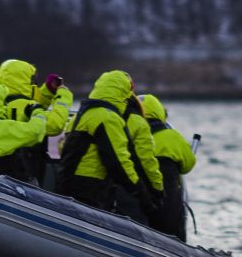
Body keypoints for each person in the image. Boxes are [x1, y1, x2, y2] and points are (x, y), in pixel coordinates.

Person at [55, 70, 145, 211]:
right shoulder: (109, 118)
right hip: (90, 185)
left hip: (65, 181)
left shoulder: (79, 116)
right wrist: (139, 190)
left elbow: (63, 147)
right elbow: (117, 160)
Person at [0, 59, 74, 185]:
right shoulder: (27, 107)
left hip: (0, 171)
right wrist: (64, 96)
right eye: (33, 80)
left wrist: (47, 92)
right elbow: (54, 125)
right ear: (26, 82)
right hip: (27, 171)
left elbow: (34, 110)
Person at [140, 94, 197, 241]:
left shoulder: (132, 134)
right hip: (168, 204)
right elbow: (188, 164)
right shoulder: (172, 136)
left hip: (140, 203)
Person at [114, 93, 164, 224]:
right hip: (133, 184)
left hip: (105, 183)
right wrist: (158, 188)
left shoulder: (101, 116)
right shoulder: (139, 123)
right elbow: (146, 160)